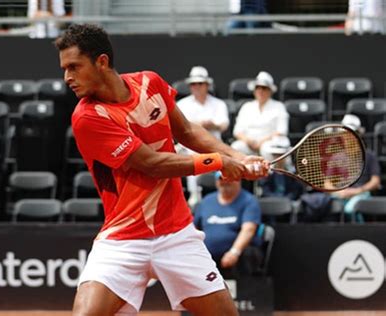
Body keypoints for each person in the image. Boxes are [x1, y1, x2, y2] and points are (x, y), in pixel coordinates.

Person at [55, 24, 269, 316]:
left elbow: (188, 132)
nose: (67, 77)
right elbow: (151, 165)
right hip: (123, 237)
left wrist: (238, 156)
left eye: (74, 67)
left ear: (102, 62)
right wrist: (220, 162)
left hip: (176, 233)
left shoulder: (150, 83)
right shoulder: (87, 117)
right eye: (65, 68)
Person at [177, 66, 230, 206]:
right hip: (188, 145)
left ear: (207, 85)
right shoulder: (182, 104)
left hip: (214, 145)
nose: (197, 87)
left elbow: (224, 125)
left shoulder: (219, 104)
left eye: (200, 83)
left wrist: (213, 125)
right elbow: (179, 128)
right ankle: (194, 195)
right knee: (191, 154)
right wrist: (198, 125)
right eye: (193, 84)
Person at [194, 173, 263, 278]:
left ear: (238, 180)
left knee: (249, 254)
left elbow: (248, 229)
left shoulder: (249, 201)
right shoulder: (206, 201)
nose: (225, 181)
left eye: (229, 178)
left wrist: (234, 252)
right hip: (207, 256)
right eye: (221, 178)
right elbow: (195, 229)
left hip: (237, 256)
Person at [231, 71, 290, 161]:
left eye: (264, 88)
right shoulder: (246, 107)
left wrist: (261, 142)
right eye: (257, 87)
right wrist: (248, 141)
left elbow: (281, 130)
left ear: (270, 91)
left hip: (269, 143)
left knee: (267, 149)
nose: (260, 91)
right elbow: (237, 131)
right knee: (236, 147)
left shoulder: (279, 107)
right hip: (249, 144)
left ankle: (271, 174)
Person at [332, 114, 381, 222]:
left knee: (351, 209)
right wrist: (338, 192)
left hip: (362, 194)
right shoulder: (335, 157)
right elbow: (327, 182)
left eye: (352, 133)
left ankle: (360, 233)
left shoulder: (370, 156)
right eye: (345, 133)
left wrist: (358, 191)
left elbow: (375, 182)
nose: (348, 136)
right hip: (340, 195)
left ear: (359, 134)